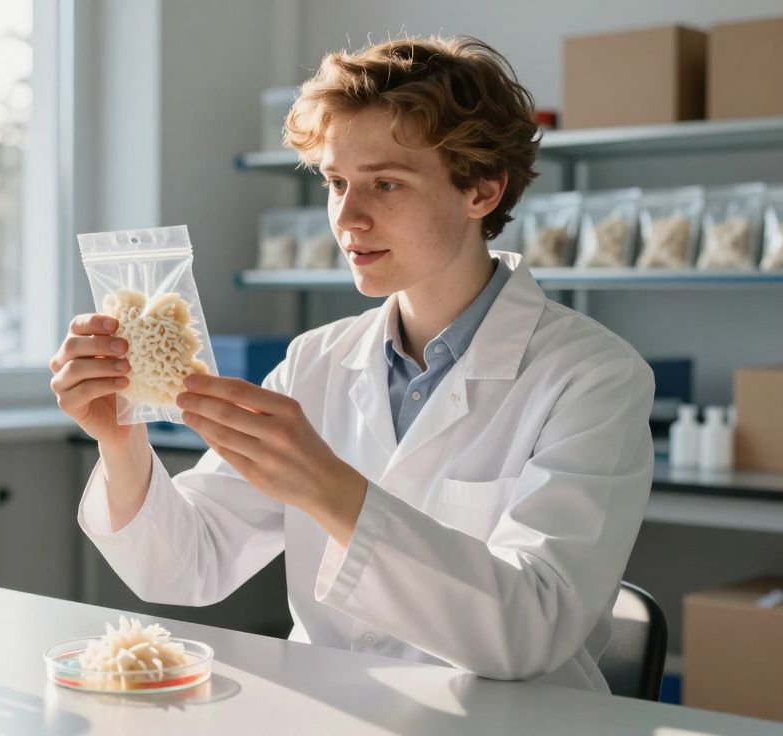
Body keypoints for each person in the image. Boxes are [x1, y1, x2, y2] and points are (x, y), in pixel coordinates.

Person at [48, 36, 654, 693]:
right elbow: (189, 565)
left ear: (481, 190)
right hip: (333, 711)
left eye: (385, 183)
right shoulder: (317, 361)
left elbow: (531, 630)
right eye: (336, 182)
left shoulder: (592, 376)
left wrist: (330, 490)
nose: (346, 217)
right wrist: (121, 437)